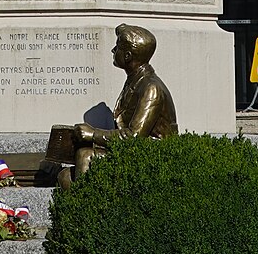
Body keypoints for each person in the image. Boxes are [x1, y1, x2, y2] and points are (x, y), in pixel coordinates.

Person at [46, 22, 178, 185]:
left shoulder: (151, 88)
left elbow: (134, 136)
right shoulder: (136, 81)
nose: (113, 51)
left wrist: (93, 134)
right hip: (134, 152)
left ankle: (91, 201)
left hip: (152, 157)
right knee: (65, 177)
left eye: (117, 47)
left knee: (85, 156)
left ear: (128, 56)